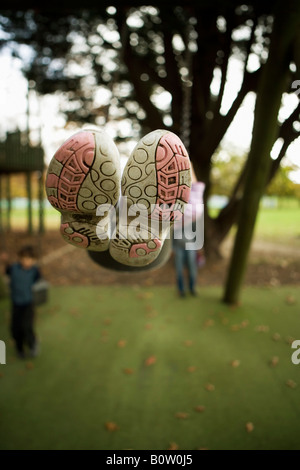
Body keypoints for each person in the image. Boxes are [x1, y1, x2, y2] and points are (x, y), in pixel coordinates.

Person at [1, 245, 41, 359]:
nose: (26, 261)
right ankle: (20, 349)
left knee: (27, 327)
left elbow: (38, 282)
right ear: (20, 258)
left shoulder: (35, 271)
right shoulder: (13, 268)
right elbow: (7, 270)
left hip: (28, 303)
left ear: (34, 260)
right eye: (24, 258)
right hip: (16, 304)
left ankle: (33, 344)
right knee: (15, 328)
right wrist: (4, 260)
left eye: (29, 259)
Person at [172, 166, 205, 297]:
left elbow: (195, 187)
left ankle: (192, 288)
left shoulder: (193, 211)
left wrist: (199, 249)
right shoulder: (180, 210)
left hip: (190, 245)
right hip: (178, 246)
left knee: (192, 269)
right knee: (179, 270)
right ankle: (181, 290)